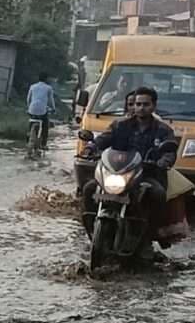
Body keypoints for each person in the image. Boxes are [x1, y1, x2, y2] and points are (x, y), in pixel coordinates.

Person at [77, 86, 181, 241]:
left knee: (158, 194)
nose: (141, 108)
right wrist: (92, 147)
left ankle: (152, 234)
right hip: (117, 172)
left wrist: (163, 161)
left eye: (146, 104)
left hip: (147, 174)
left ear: (154, 106)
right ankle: (91, 228)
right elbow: (105, 138)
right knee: (89, 188)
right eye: (138, 104)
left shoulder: (163, 130)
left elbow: (169, 150)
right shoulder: (120, 125)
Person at [26, 74, 58, 154]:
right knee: (45, 126)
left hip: (31, 109)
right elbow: (51, 100)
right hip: (42, 111)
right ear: (46, 79)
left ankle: (28, 139)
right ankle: (43, 144)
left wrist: (29, 107)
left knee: (30, 123)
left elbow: (28, 99)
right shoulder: (48, 88)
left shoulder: (32, 86)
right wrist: (54, 109)